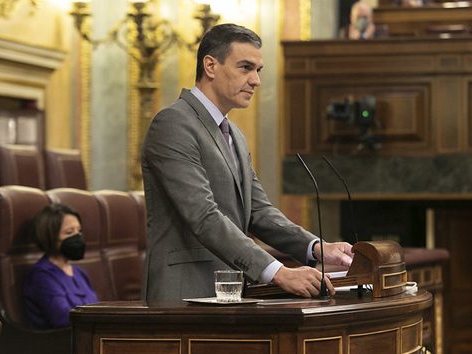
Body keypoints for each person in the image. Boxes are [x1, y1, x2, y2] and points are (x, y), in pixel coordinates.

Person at [141, 23, 354, 302]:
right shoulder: (173, 124)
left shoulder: (235, 135)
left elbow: (259, 213)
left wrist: (316, 247)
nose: (256, 80)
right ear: (210, 66)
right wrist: (278, 272)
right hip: (184, 294)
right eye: (245, 67)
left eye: (258, 70)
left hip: (230, 294)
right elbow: (203, 216)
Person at [22, 203, 98, 329]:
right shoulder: (41, 275)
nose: (77, 237)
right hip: (58, 343)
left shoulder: (79, 272)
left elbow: (96, 309)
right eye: (69, 232)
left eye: (79, 231)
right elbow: (62, 318)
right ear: (50, 237)